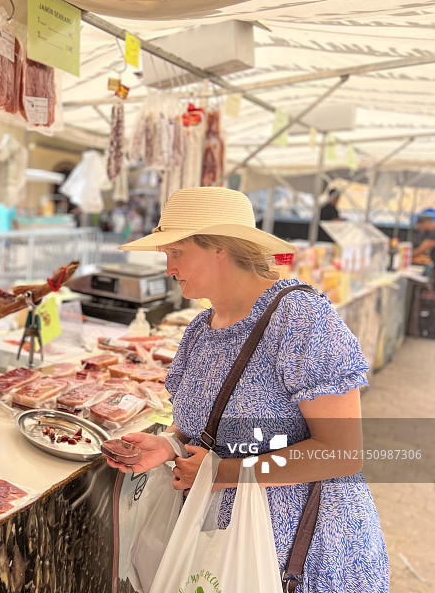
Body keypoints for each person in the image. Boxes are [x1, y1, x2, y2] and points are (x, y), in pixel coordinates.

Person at [110, 187, 389, 592]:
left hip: (303, 555)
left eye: (177, 252)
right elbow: (205, 429)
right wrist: (170, 445)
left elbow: (342, 452)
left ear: (219, 247)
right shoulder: (199, 331)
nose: (169, 267)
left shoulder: (299, 317)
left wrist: (227, 472)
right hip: (221, 549)